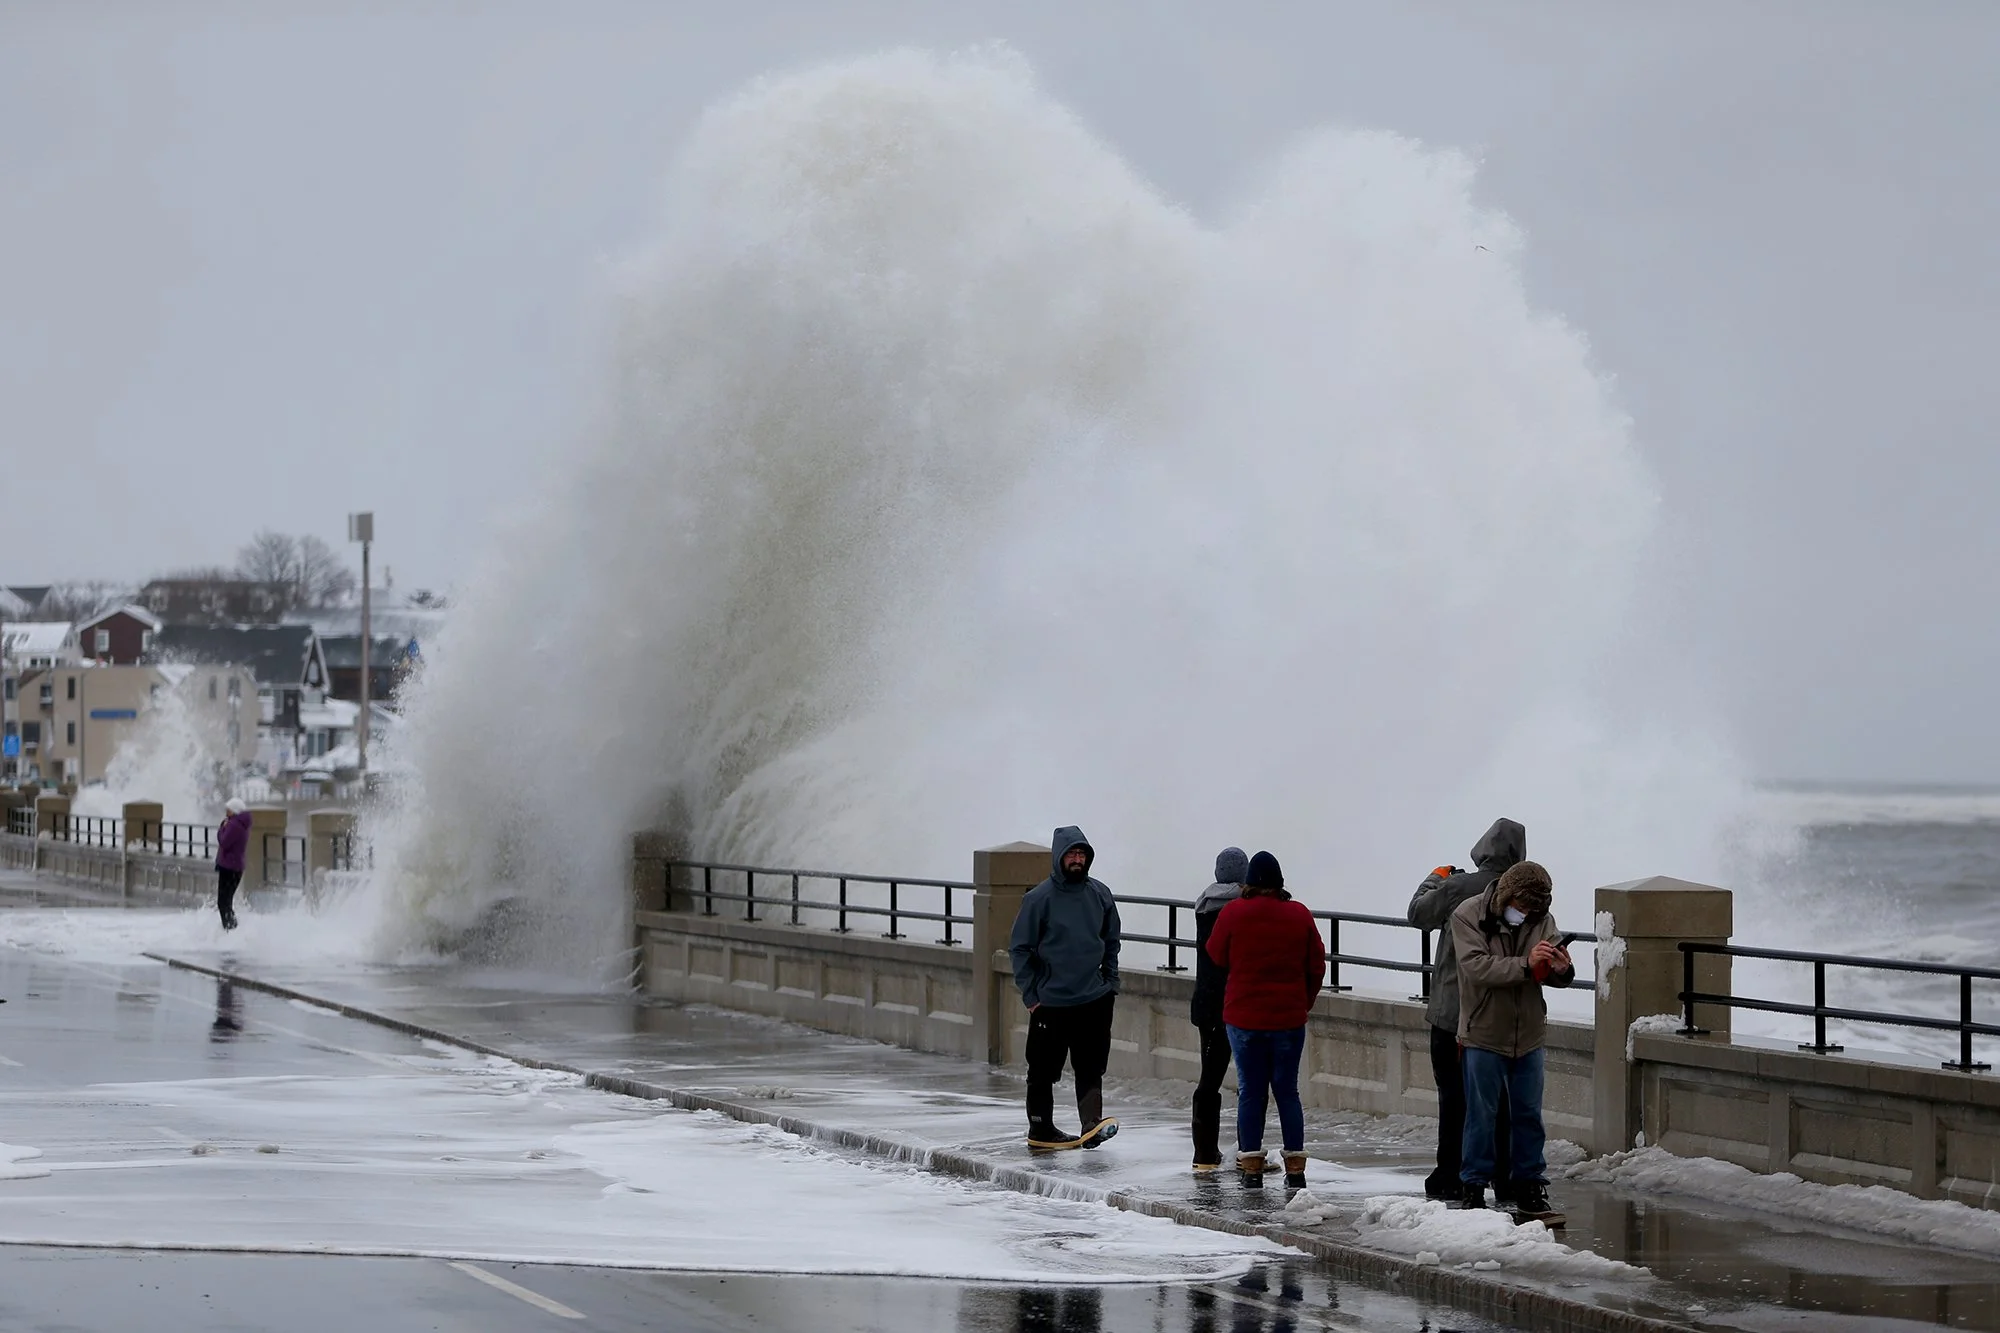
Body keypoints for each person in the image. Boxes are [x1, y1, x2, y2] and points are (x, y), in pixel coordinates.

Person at [1407, 818, 1525, 1201]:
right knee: (1501, 1101)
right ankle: (1505, 1177)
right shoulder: (1521, 895)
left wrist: (1434, 879)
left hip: (1450, 1013)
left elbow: (1418, 915)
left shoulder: (1458, 887)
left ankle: (1451, 1175)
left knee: (1453, 1099)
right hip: (1499, 1016)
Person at [1451, 860, 1574, 1217]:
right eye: (1522, 906)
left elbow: (1546, 969)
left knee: (1528, 1115)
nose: (1527, 913)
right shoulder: (1468, 915)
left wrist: (1561, 970)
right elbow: (1476, 967)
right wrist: (1526, 964)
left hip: (1529, 1033)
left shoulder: (1542, 919)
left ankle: (1530, 1187)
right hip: (1484, 1031)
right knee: (1481, 1114)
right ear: (1507, 896)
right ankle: (1473, 1186)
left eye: (1534, 908)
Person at [1206, 851, 1325, 1188]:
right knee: (1287, 1092)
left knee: (1251, 1092)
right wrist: (1305, 1000)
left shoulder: (1233, 913)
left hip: (1244, 1019)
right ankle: (1296, 1167)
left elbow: (1215, 953)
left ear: (1250, 882)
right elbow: (1317, 963)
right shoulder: (1299, 914)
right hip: (1288, 1018)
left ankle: (1252, 1165)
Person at [1009, 826, 1122, 1148]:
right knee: (1042, 1070)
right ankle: (1041, 1129)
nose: (1077, 860)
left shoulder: (1099, 893)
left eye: (1082, 855)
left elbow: (1111, 941)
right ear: (1059, 857)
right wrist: (1031, 995)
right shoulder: (1038, 898)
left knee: (1091, 1066)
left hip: (1094, 999)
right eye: (1071, 854)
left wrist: (1110, 981)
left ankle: (1091, 1125)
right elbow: (1019, 948)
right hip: (1051, 1002)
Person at [1189, 846, 1249, 1171]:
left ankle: (1204, 1154)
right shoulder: (1244, 909)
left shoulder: (1203, 904)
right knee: (1248, 1081)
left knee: (1209, 1079)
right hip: (1237, 1005)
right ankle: (1246, 1150)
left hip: (1207, 1004)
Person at [214, 798, 251, 931]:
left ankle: (231, 930)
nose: (226, 812)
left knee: (223, 902)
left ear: (234, 810)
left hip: (229, 868)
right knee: (226, 902)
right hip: (235, 867)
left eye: (228, 809)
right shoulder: (240, 824)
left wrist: (221, 829)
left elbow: (224, 841)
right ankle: (231, 930)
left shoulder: (234, 825)